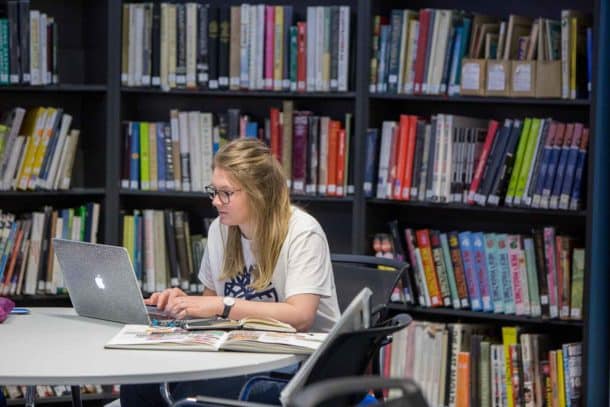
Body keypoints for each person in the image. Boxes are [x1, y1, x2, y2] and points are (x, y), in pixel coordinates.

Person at [120, 138, 340, 406]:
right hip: (240, 356)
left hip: (300, 367)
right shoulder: (219, 231)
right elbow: (210, 313)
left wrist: (221, 305)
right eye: (213, 191)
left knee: (189, 394)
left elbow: (301, 317)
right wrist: (182, 307)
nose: (215, 201)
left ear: (259, 192)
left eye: (226, 193)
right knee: (138, 387)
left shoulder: (303, 232)